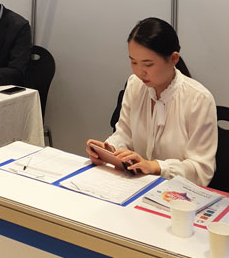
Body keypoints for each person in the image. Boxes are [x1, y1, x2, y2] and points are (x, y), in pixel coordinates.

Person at [86, 17, 217, 186]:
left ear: (174, 59)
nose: (140, 72)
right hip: (136, 185)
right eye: (133, 62)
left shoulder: (199, 99)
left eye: (148, 64)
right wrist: (109, 150)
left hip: (178, 193)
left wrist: (155, 167)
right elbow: (124, 134)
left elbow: (201, 169)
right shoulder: (135, 85)